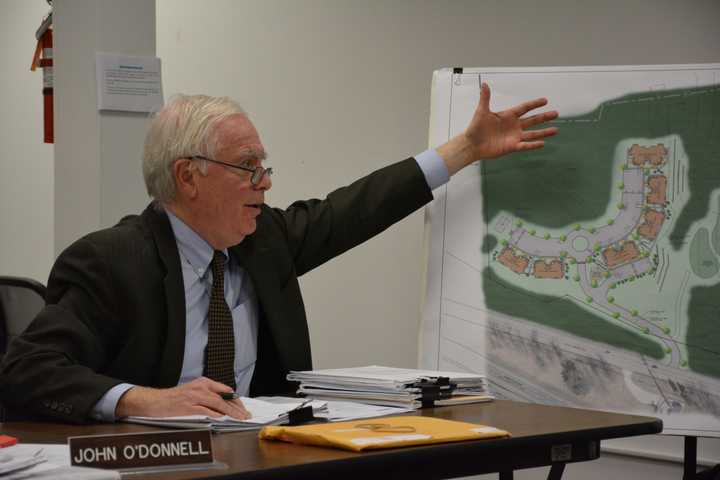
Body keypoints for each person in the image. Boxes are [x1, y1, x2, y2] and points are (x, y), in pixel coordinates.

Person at [0, 84, 558, 423]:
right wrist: (140, 400)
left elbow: (356, 209)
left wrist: (464, 149)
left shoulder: (262, 240)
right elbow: (26, 370)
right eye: (249, 167)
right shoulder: (112, 261)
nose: (265, 183)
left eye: (264, 166)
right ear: (187, 177)